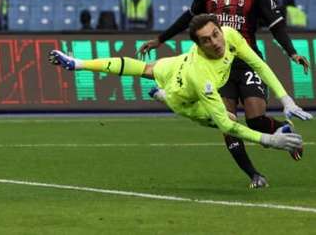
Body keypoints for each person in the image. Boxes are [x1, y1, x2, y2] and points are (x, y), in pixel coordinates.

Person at [50, 14, 307, 188]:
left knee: (144, 68)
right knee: (227, 119)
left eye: (215, 34)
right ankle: (163, 96)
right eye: (206, 40)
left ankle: (76, 63)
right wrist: (270, 141)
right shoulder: (202, 76)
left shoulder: (230, 35)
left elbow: (259, 64)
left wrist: (286, 99)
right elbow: (228, 127)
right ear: (198, 45)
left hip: (175, 65)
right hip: (186, 98)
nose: (215, 42)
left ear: (220, 28)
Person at [137, 0, 311, 187]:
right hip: (218, 67)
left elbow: (276, 26)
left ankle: (286, 134)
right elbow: (189, 18)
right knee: (226, 120)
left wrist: (292, 52)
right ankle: (254, 175)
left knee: (255, 120)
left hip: (246, 63)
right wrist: (160, 39)